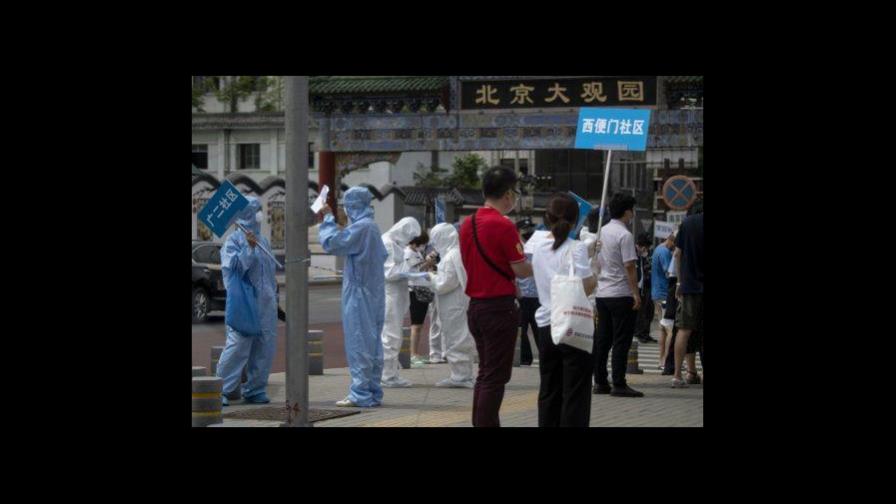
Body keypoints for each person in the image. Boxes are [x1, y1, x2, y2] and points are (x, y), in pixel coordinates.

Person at [459, 167, 533, 427]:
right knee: (495, 377)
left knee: (485, 374)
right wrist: (535, 262)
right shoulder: (503, 225)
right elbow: (521, 269)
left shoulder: (467, 224)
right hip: (499, 308)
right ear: (509, 194)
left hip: (476, 307)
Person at [318, 186, 389, 407]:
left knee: (359, 341)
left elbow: (332, 243)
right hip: (374, 292)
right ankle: (372, 391)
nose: (346, 212)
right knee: (373, 344)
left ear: (353, 207)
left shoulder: (362, 228)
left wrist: (328, 218)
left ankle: (360, 393)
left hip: (359, 293)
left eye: (347, 207)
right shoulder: (372, 227)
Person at [530, 193, 596, 427]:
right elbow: (586, 287)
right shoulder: (576, 249)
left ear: (547, 218)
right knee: (575, 392)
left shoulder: (537, 248)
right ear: (575, 220)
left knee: (549, 389)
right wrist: (593, 268)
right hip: (571, 326)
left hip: (546, 326)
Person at [217, 197, 278, 406]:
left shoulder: (264, 240)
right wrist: (249, 249)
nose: (260, 215)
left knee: (264, 346)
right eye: (256, 210)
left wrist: (274, 296)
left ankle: (255, 389)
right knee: (238, 346)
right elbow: (234, 269)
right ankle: (220, 388)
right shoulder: (233, 241)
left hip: (266, 303)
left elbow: (269, 273)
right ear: (247, 214)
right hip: (245, 302)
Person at [592, 193, 644, 398]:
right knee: (621, 340)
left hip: (602, 294)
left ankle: (600, 381)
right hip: (621, 293)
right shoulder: (625, 235)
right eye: (632, 209)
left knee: (603, 339)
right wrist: (636, 294)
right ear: (626, 211)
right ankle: (620, 383)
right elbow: (630, 266)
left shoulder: (601, 232)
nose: (632, 214)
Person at [428, 223, 476, 388]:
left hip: (453, 304)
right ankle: (463, 374)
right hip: (460, 302)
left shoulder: (450, 257)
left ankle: (460, 376)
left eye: (435, 240)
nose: (434, 244)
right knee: (461, 336)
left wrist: (429, 277)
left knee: (455, 337)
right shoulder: (459, 252)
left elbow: (444, 284)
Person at [381, 217, 423, 388]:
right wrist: (410, 269)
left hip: (397, 293)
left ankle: (391, 373)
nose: (410, 240)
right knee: (390, 335)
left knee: (394, 334)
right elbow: (389, 273)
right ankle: (387, 375)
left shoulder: (395, 243)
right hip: (390, 294)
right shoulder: (388, 242)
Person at [671, 200, 704, 388]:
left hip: (690, 286)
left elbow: (677, 254)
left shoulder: (688, 224)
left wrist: (679, 282)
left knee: (684, 330)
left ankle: (677, 375)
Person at [405, 231, 436, 368]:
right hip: (415, 290)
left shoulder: (415, 252)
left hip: (421, 289)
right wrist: (427, 263)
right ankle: (412, 354)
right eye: (423, 243)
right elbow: (412, 271)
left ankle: (415, 354)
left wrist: (427, 263)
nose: (423, 246)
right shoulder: (408, 252)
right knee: (416, 325)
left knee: (419, 324)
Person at [516, 221, 540, 366]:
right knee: (522, 329)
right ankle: (525, 358)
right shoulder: (517, 249)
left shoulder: (539, 248)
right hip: (523, 296)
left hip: (536, 295)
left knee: (539, 329)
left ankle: (543, 355)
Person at [652, 233, 676, 368]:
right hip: (664, 293)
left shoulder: (657, 249)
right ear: (671, 241)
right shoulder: (665, 252)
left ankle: (661, 360)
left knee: (662, 327)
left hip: (656, 293)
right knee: (670, 329)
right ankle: (666, 360)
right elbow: (669, 272)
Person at [633, 232, 657, 344]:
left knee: (649, 311)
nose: (646, 249)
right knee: (641, 313)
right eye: (645, 247)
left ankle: (646, 333)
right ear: (640, 245)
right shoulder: (633, 253)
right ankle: (640, 333)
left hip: (646, 287)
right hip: (637, 288)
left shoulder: (643, 255)